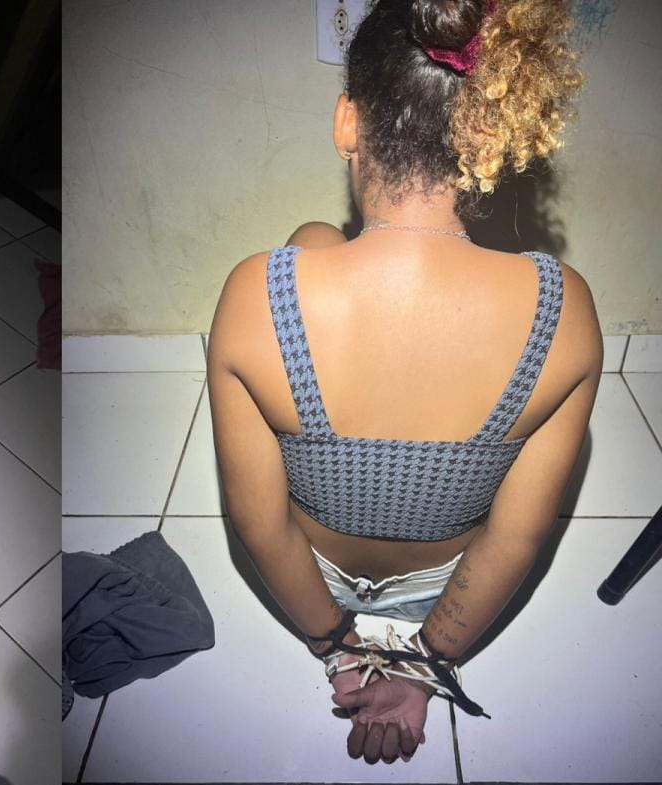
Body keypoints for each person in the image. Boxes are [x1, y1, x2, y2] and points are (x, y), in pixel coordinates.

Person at [208, 0, 595, 767]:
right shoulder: (564, 312)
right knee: (321, 238)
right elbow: (517, 537)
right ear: (490, 134)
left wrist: (340, 647)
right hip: (438, 589)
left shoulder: (254, 296)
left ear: (348, 123)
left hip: (313, 580)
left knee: (310, 241)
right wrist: (421, 666)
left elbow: (259, 524)